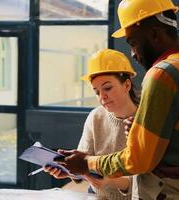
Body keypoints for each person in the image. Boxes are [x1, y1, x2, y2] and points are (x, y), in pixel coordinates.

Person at [55, 0, 179, 199]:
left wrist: (87, 163)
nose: (133, 54)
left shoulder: (161, 74)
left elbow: (138, 160)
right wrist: (142, 133)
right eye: (96, 91)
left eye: (133, 42)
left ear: (153, 33)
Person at [45, 49, 139, 199]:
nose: (102, 97)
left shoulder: (145, 120)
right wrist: (70, 171)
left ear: (127, 85)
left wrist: (111, 181)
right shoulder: (96, 117)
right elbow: (84, 165)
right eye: (96, 92)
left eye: (108, 88)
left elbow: (149, 182)